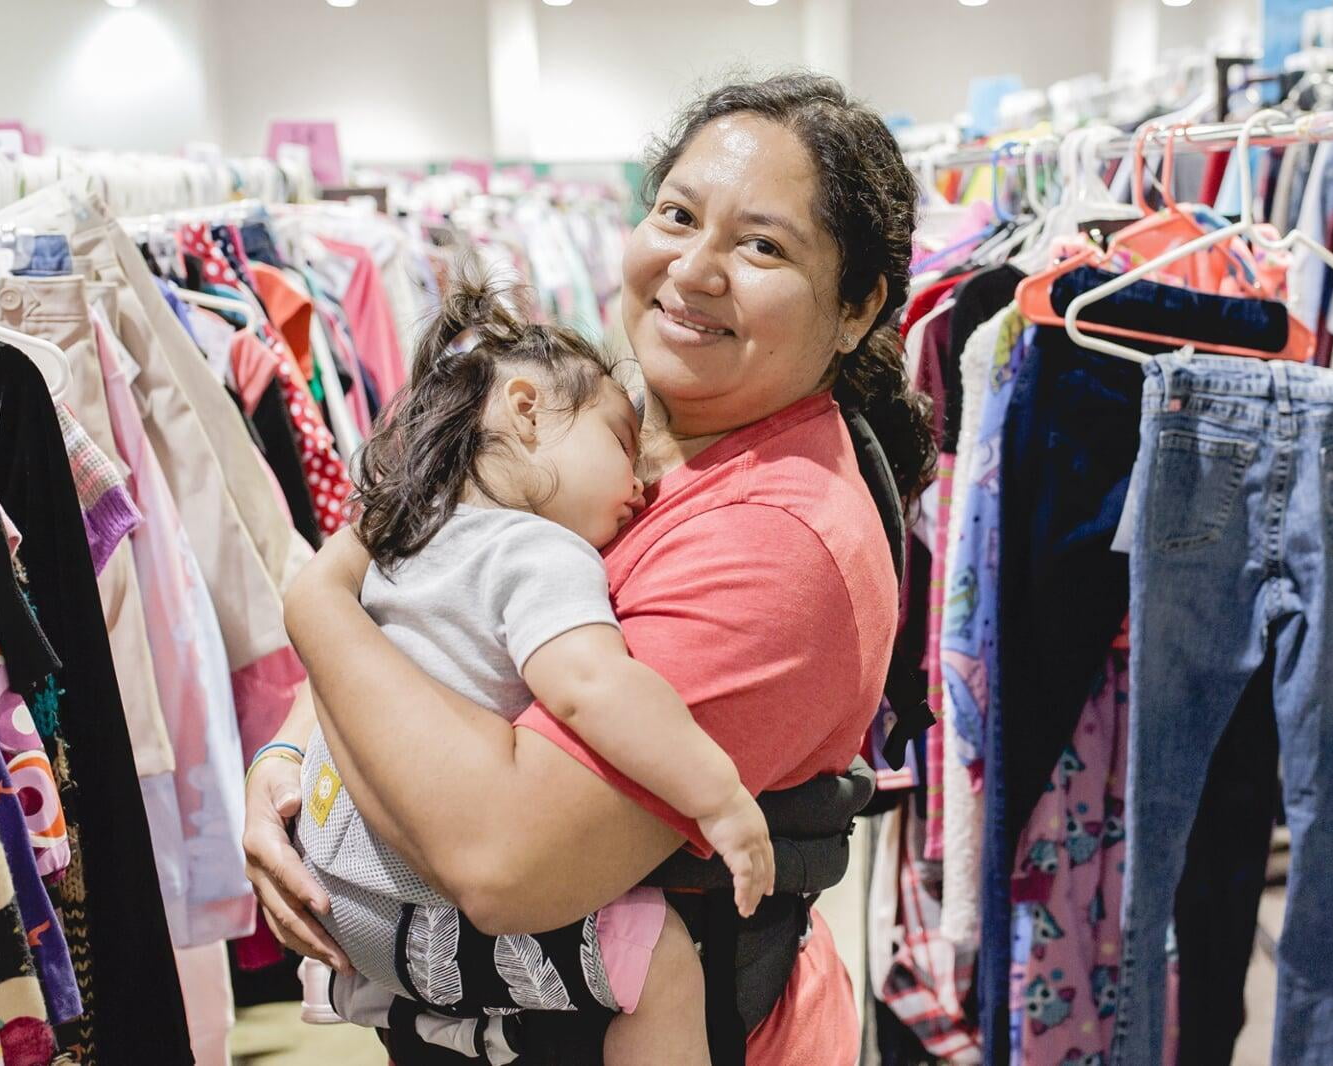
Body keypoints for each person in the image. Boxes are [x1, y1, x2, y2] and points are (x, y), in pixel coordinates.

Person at [244, 71, 935, 1064]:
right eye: (677, 213)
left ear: (856, 306)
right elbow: (423, 605)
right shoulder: (604, 421)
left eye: (762, 245)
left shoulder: (777, 543)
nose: (694, 269)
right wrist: (283, 764)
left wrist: (317, 606)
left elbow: (500, 858)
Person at [290, 269, 776, 1065]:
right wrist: (717, 796)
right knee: (659, 958)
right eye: (623, 441)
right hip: (428, 913)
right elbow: (592, 686)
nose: (646, 481)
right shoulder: (538, 549)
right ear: (524, 410)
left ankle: (443, 1020)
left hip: (341, 905)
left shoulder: (404, 537)